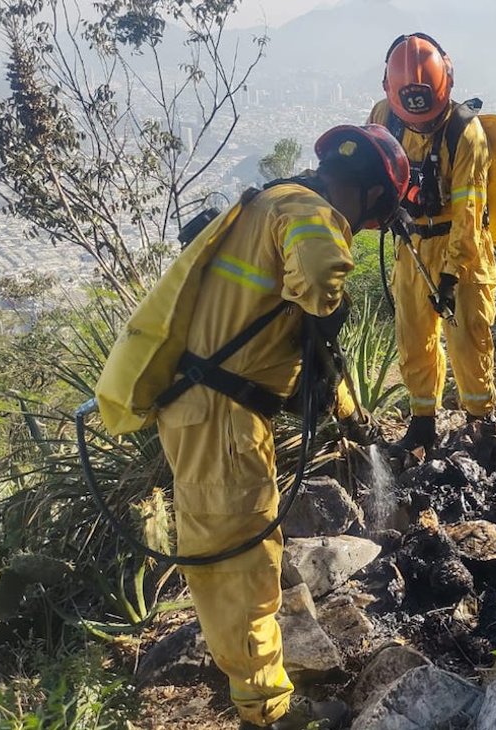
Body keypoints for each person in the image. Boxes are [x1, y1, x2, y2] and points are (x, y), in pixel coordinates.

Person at [153, 125, 408, 729]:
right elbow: (319, 282)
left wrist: (355, 419)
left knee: (245, 554)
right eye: (374, 219)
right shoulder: (308, 210)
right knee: (242, 568)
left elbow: (309, 354)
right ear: (372, 197)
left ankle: (257, 694)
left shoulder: (266, 202)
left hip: (210, 411)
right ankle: (267, 714)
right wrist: (331, 299)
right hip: (222, 421)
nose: (367, 229)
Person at [369, 32, 496, 450]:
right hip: (410, 243)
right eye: (411, 117)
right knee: (413, 334)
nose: (419, 124)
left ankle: (482, 421)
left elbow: (468, 212)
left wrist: (450, 274)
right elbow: (370, 180)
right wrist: (390, 208)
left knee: (468, 337)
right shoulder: (383, 118)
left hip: (462, 247)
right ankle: (423, 420)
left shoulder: (466, 133)